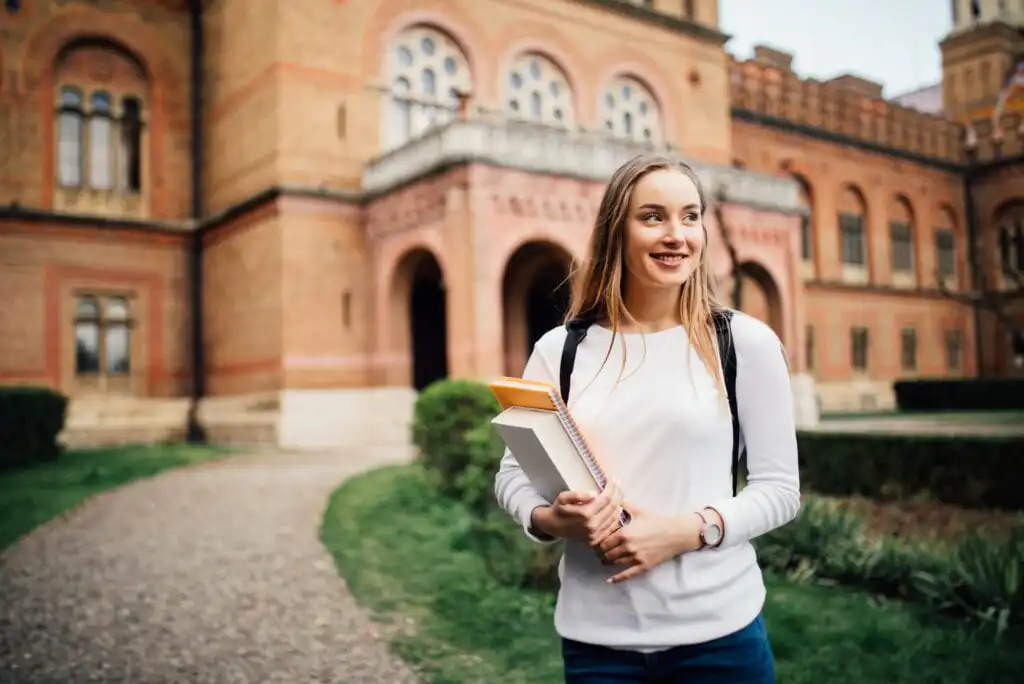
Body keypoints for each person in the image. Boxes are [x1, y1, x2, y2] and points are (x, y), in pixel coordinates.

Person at [493, 153, 801, 683]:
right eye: (653, 216)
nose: (676, 234)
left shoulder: (742, 343)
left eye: (690, 216)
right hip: (598, 646)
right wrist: (549, 520)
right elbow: (513, 474)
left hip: (719, 638)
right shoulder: (559, 351)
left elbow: (780, 490)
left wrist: (686, 531)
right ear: (617, 230)